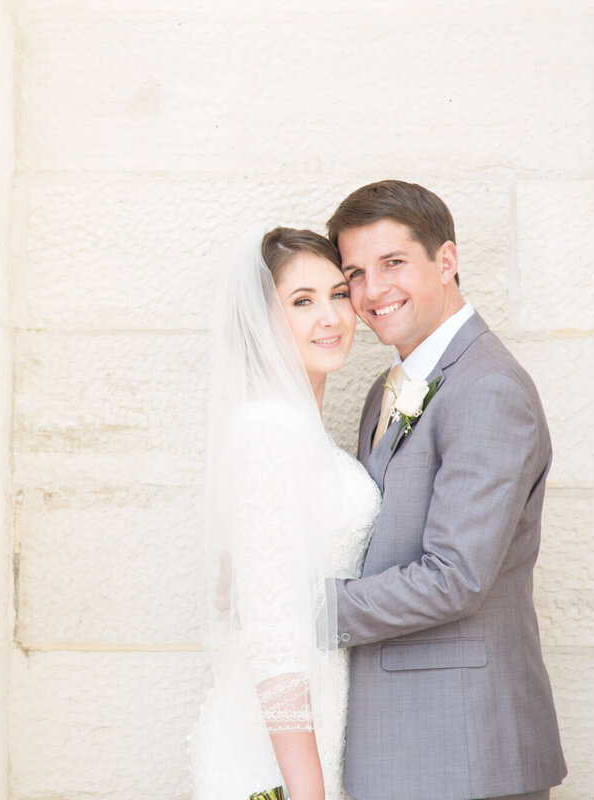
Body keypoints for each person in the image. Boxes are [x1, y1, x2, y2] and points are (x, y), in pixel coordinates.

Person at [319, 180, 567, 800]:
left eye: (393, 263)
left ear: (447, 260)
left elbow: (455, 575)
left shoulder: (487, 388)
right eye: (355, 272)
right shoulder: (387, 388)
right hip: (403, 747)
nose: (373, 291)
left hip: (464, 749)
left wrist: (303, 611)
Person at [190, 226, 380, 800]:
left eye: (338, 294)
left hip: (312, 727)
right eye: (302, 302)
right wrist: (307, 791)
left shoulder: (292, 429)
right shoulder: (270, 432)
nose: (331, 317)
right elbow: (274, 635)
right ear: (261, 321)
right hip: (274, 756)